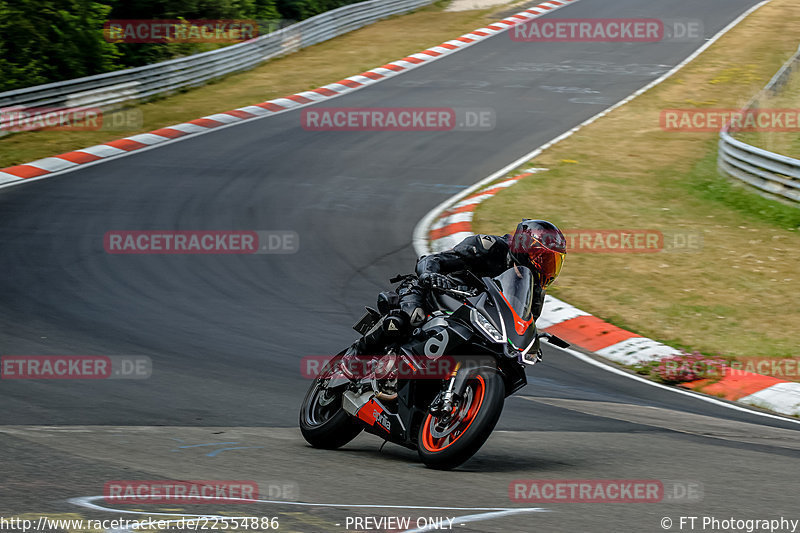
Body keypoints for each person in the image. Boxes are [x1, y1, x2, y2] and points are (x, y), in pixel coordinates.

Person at [351, 219, 567, 354]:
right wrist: (430, 275)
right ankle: (354, 362)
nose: (546, 268)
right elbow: (435, 259)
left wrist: (531, 342)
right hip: (435, 292)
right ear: (524, 247)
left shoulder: (533, 293)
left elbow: (521, 323)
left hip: (474, 319)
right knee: (409, 316)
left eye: (552, 263)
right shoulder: (489, 247)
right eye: (543, 259)